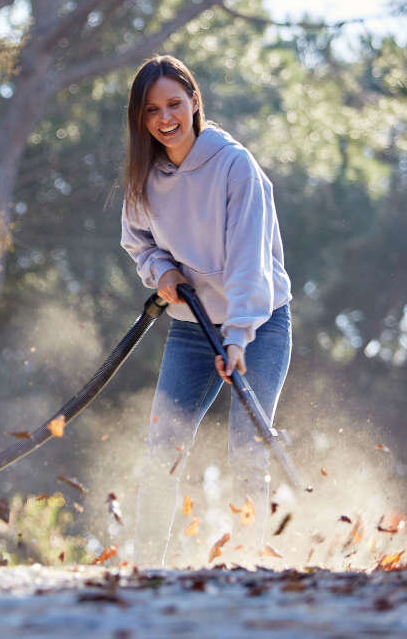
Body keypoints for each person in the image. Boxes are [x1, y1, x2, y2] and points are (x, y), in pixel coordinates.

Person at [120, 55, 292, 566]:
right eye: (152, 110)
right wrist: (161, 272)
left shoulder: (235, 166)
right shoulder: (145, 175)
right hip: (193, 327)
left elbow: (248, 263)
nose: (165, 118)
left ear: (195, 102)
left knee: (247, 445)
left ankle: (250, 563)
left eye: (174, 104)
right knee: (163, 447)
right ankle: (146, 568)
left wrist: (237, 337)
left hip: (258, 323)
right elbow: (138, 241)